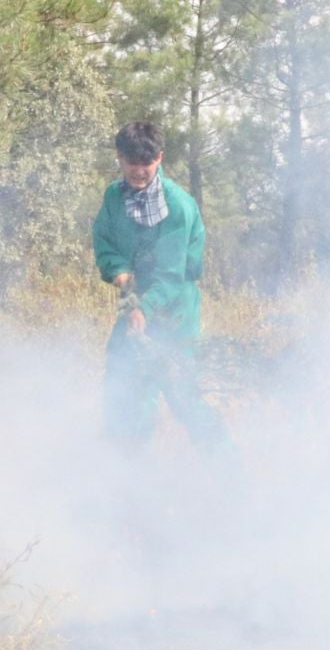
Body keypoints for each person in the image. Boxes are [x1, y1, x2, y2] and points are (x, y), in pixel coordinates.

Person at [92, 121, 230, 453]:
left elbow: (172, 273)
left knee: (183, 395)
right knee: (123, 382)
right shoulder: (114, 196)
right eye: (131, 162)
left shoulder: (177, 207)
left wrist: (145, 308)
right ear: (120, 159)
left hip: (175, 309)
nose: (139, 171)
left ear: (160, 158)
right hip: (135, 300)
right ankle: (130, 473)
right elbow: (104, 241)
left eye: (146, 162)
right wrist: (120, 273)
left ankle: (230, 477)